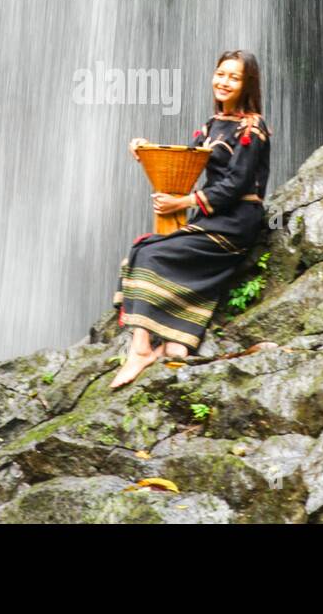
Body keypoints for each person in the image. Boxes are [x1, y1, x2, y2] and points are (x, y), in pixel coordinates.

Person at [110, 49, 271, 389]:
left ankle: (141, 349)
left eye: (234, 77)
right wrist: (145, 152)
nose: (224, 82)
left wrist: (180, 203)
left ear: (247, 84)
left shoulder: (251, 127)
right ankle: (174, 341)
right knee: (143, 249)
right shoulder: (212, 125)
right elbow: (183, 165)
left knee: (151, 253)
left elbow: (235, 185)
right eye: (221, 74)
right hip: (211, 218)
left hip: (236, 221)